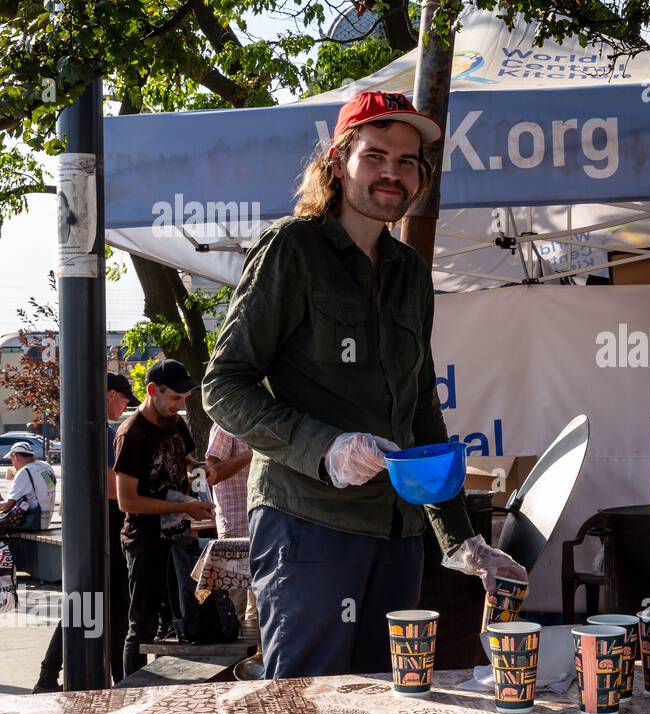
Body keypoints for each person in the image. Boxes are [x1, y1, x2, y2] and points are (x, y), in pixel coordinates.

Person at [204, 90, 525, 680]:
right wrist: (324, 446)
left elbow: (422, 413)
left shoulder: (410, 272)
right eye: (375, 155)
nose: (392, 173)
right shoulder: (293, 249)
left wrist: (460, 539)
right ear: (338, 161)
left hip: (398, 534)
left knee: (390, 706)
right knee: (309, 713)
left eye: (407, 162)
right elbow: (224, 386)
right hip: (309, 526)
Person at [33, 374, 137, 692]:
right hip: (105, 528)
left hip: (91, 528)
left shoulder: (84, 431)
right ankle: (116, 673)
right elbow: (111, 487)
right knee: (106, 601)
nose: (125, 407)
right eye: (123, 399)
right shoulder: (104, 434)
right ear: (109, 395)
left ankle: (50, 674)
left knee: (86, 601)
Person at [115, 359, 215, 676]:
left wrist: (201, 469)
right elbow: (126, 501)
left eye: (185, 399)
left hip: (180, 539)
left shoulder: (175, 422)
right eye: (175, 398)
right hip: (145, 544)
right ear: (152, 391)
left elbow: (186, 462)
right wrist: (182, 507)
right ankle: (128, 697)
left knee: (183, 621)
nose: (180, 405)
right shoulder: (132, 434)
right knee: (141, 627)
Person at [204, 422, 256, 634]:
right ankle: (236, 662)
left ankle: (255, 661)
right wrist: (253, 453)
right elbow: (212, 472)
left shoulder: (263, 422)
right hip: (235, 527)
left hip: (259, 526)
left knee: (258, 605)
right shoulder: (226, 425)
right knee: (236, 605)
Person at [0, 441, 56, 531]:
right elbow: (48, 484)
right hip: (46, 520)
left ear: (16, 456)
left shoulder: (24, 472)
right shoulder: (45, 466)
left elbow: (7, 505)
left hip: (33, 522)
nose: (13, 464)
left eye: (11, 460)